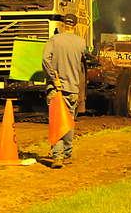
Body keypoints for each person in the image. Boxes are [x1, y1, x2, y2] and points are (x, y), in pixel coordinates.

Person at [42, 13, 86, 169]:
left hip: (55, 88)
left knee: (56, 122)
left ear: (62, 24)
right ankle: (68, 154)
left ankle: (57, 157)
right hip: (72, 88)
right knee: (68, 122)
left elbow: (45, 59)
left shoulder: (54, 40)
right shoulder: (81, 42)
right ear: (75, 26)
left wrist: (53, 79)